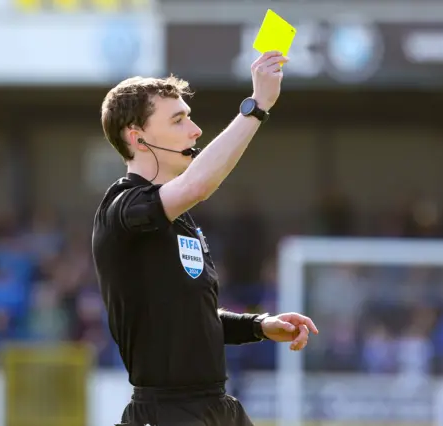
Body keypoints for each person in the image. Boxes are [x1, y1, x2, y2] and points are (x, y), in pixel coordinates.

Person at [92, 50, 319, 426]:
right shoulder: (122, 209)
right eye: (179, 120)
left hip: (216, 407)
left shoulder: (177, 218)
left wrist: (258, 326)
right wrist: (257, 105)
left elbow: (189, 317)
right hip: (166, 413)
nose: (195, 130)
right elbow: (198, 183)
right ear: (139, 137)